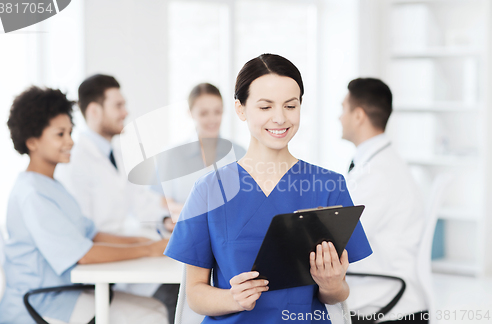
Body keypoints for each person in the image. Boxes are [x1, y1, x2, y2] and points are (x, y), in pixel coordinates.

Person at [164, 54, 373, 323]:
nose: (279, 118)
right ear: (241, 109)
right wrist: (232, 298)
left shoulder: (329, 186)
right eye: (265, 107)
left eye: (290, 106)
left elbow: (337, 292)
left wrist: (331, 285)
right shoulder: (208, 191)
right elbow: (194, 293)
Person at [0, 86, 168, 324]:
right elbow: (84, 255)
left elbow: (92, 234)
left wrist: (145, 241)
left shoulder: (51, 186)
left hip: (64, 291)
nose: (70, 141)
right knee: (153, 314)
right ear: (32, 141)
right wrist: (150, 249)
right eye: (60, 134)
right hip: (40, 302)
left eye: (70, 132)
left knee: (155, 308)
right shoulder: (33, 194)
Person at [54, 74, 178, 323]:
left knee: (180, 288)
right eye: (118, 105)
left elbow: (140, 201)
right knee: (173, 296)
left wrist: (166, 219)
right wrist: (145, 246)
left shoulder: (117, 153)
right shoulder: (75, 161)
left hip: (127, 253)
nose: (126, 112)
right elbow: (87, 231)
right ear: (95, 111)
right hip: (107, 264)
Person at [339, 78, 428, 323]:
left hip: (389, 307)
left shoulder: (378, 174)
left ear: (358, 116)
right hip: (387, 296)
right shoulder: (381, 164)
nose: (339, 117)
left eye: (343, 108)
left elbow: (340, 239)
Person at [155, 82, 246, 229]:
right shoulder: (171, 155)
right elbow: (163, 202)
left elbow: (244, 202)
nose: (212, 119)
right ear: (190, 113)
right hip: (185, 231)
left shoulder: (239, 153)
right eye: (204, 113)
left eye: (217, 112)